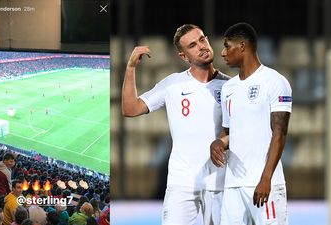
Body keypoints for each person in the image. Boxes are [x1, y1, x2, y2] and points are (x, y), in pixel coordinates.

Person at [122, 24, 230, 225]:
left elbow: (240, 131)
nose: (201, 46)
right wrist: (130, 68)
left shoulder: (230, 86)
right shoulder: (172, 84)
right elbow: (130, 109)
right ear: (184, 57)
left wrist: (224, 140)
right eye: (192, 45)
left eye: (202, 40)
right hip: (181, 182)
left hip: (219, 182)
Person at [210, 22, 292, 225]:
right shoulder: (229, 88)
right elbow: (231, 132)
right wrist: (219, 143)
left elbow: (279, 134)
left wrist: (266, 179)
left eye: (227, 46)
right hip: (233, 186)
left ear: (243, 46)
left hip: (264, 184)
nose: (222, 53)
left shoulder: (274, 81)